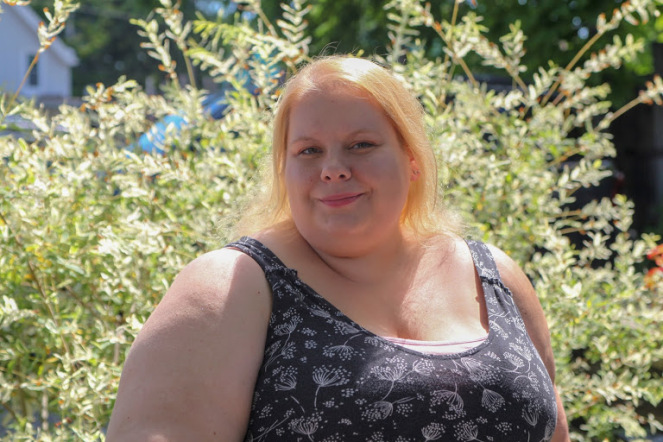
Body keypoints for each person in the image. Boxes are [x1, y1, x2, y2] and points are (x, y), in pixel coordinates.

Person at [106, 55, 570, 441]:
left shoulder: (494, 277)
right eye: (308, 151)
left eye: (361, 145)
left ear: (412, 159)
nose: (333, 168)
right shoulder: (229, 286)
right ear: (284, 170)